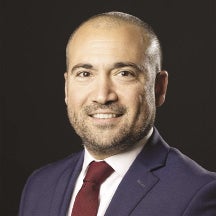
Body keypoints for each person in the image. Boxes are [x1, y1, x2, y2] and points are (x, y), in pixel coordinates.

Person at [19, 11, 216, 216]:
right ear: (67, 88)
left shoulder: (199, 195)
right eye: (85, 74)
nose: (102, 96)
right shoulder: (39, 185)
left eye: (124, 73)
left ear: (159, 88)